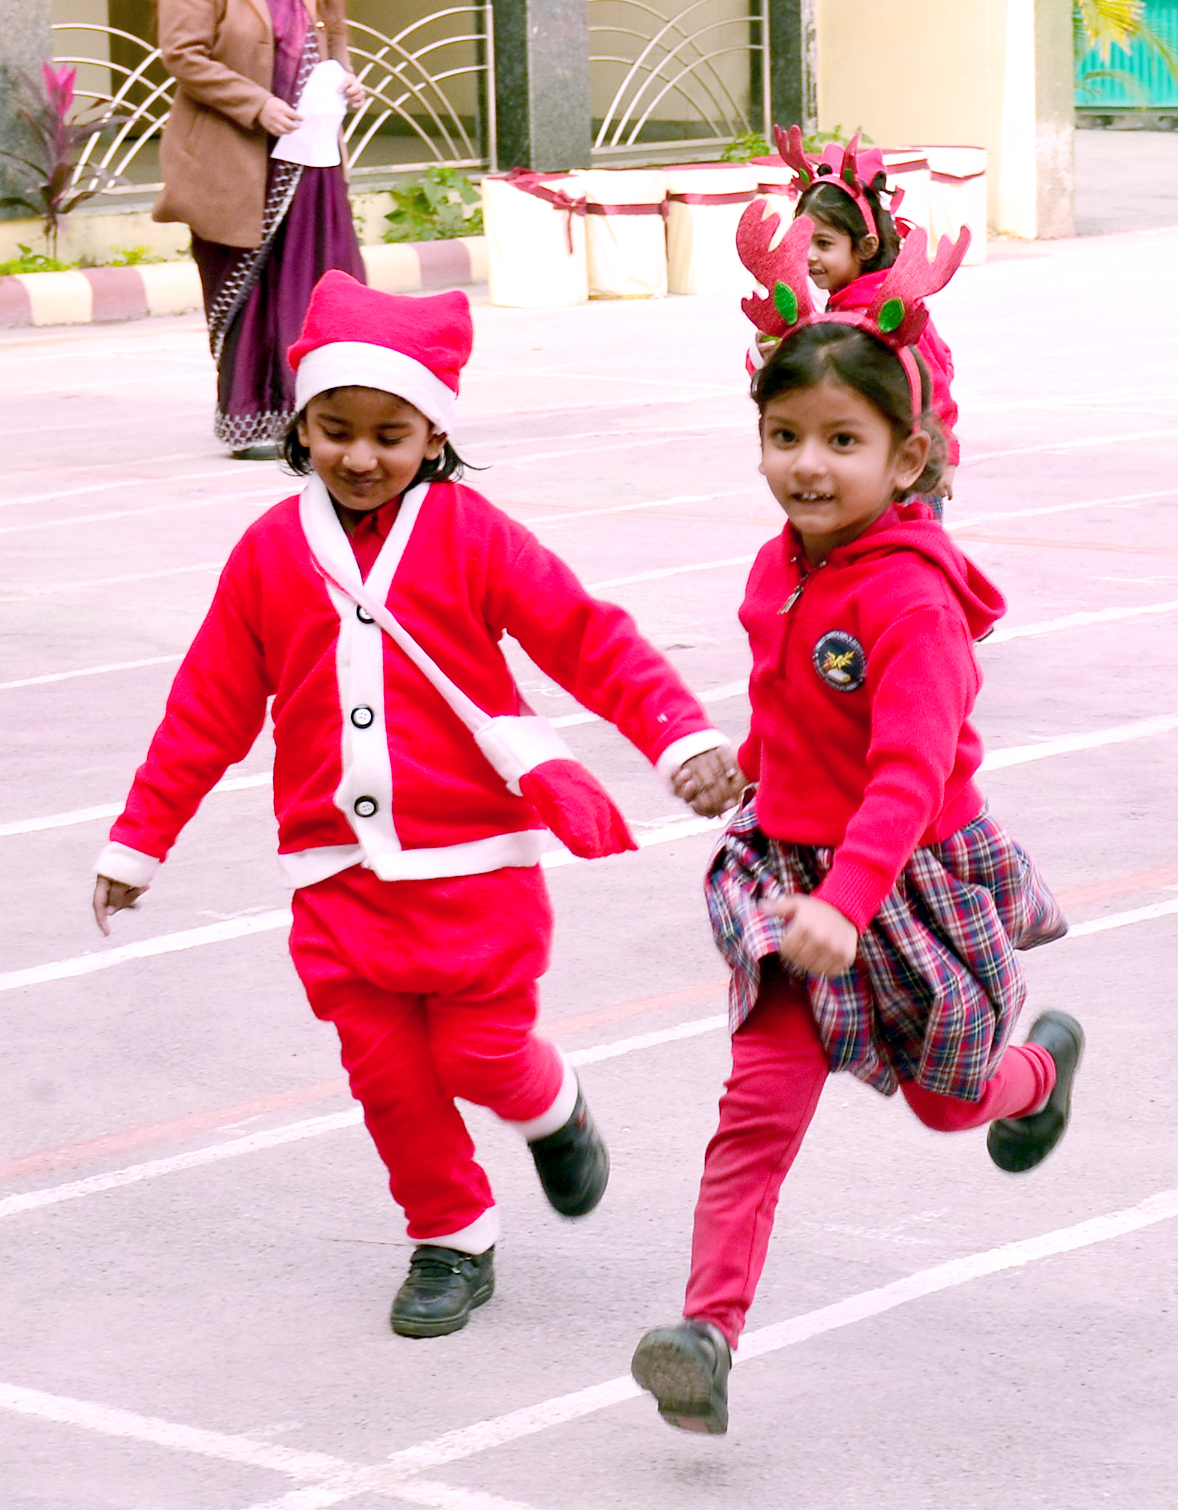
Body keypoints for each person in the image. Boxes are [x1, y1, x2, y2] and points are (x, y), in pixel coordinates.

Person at [92, 271, 744, 1340]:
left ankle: (551, 1106)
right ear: (302, 425)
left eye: (390, 435)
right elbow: (206, 708)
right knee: (390, 1081)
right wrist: (138, 841)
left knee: (479, 1056)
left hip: (476, 868)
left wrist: (681, 736)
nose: (360, 456)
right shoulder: (267, 554)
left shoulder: (472, 534)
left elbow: (586, 639)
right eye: (335, 430)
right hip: (336, 879)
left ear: (434, 435)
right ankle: (453, 1238)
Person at [630, 211, 1082, 1435]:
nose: (808, 466)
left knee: (949, 1100)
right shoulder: (778, 566)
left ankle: (1037, 1076)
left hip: (905, 879)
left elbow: (907, 770)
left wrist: (851, 899)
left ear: (908, 452)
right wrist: (744, 770)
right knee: (756, 1109)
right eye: (785, 436)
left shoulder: (913, 602)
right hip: (793, 883)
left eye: (843, 440)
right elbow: (796, 706)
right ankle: (706, 1336)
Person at [153, 0, 368, 459]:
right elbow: (184, 55)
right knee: (255, 287)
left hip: (308, 156)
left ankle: (318, 415)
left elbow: (324, 43)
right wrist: (257, 104)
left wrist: (344, 80)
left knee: (317, 282)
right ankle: (252, 417)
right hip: (239, 157)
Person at [758, 128, 961, 511]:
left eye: (824, 244)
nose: (809, 256)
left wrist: (943, 457)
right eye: (803, 241)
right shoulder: (843, 304)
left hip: (905, 477)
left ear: (866, 246)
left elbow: (932, 383)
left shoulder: (884, 308)